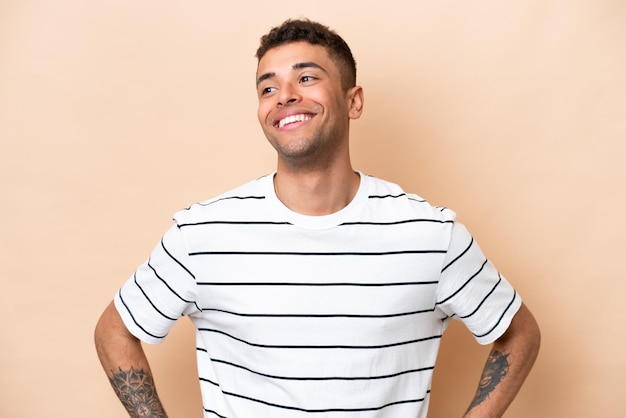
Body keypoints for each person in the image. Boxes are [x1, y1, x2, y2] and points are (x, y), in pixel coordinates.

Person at [94, 18, 540, 418]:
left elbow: (520, 334)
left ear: (354, 101)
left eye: (306, 78)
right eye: (268, 87)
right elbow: (114, 330)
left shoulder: (430, 235)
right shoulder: (203, 234)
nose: (285, 96)